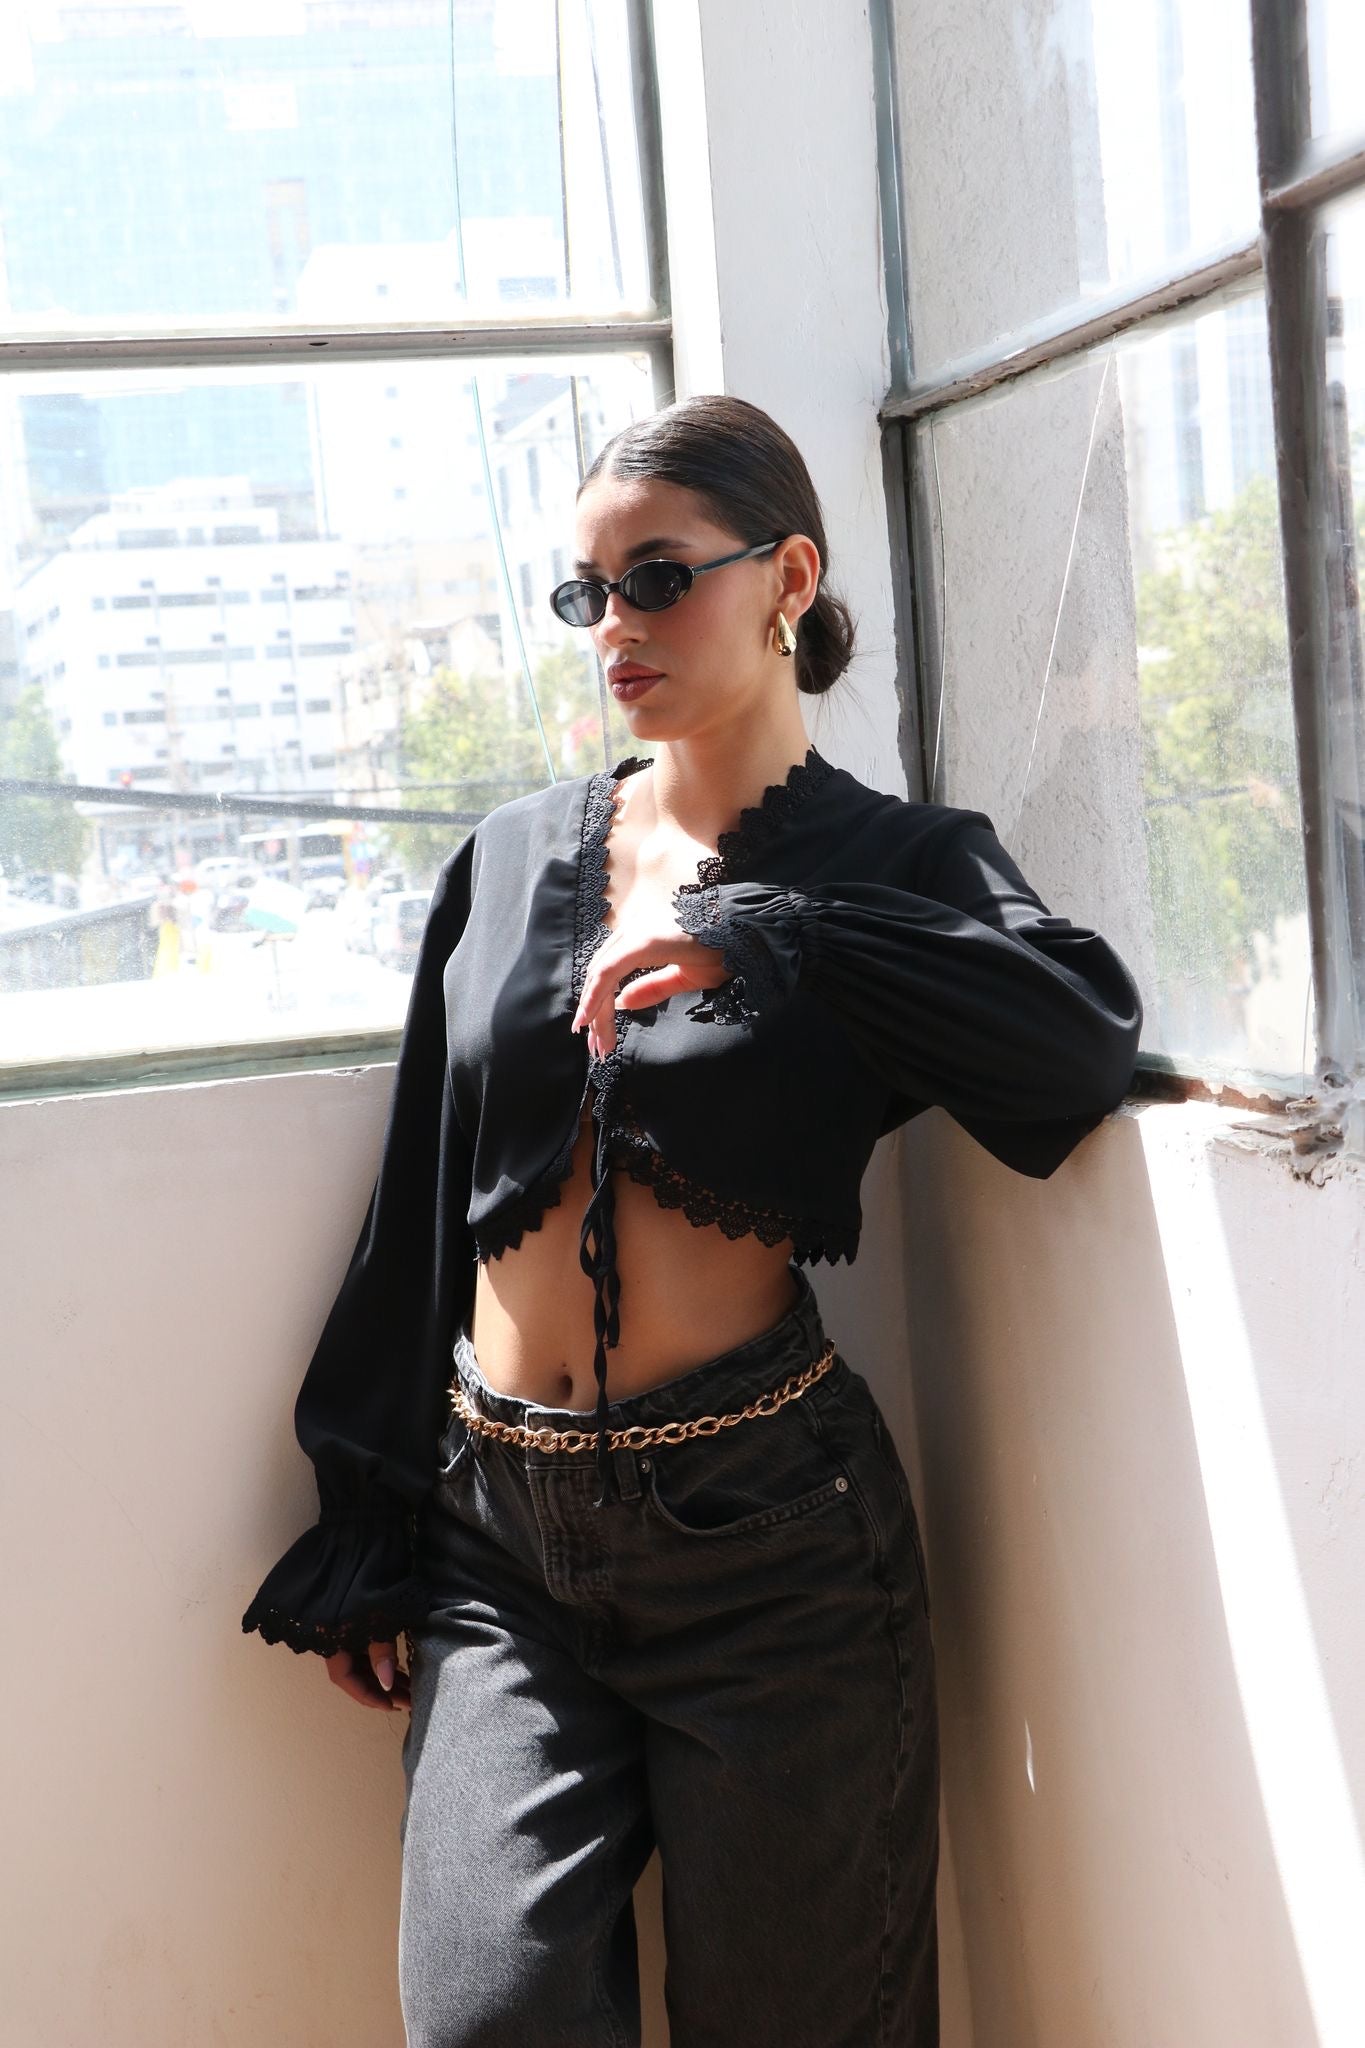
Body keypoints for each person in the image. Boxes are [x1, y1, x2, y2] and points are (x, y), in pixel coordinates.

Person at [242, 394, 1143, 2046]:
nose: (615, 627)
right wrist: (366, 1500)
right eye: (586, 592)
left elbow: (1076, 1042)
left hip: (771, 1542)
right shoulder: (511, 857)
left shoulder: (898, 862)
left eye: (656, 578)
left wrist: (785, 933)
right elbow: (423, 1187)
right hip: (495, 1540)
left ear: (786, 577)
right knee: (489, 2019)